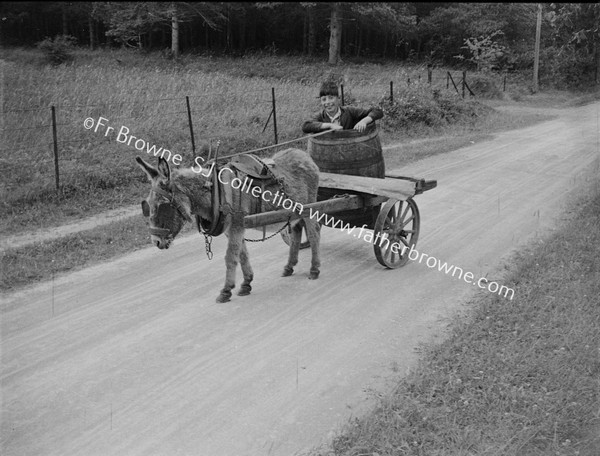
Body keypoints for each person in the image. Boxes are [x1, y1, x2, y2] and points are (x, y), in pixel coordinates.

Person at [302, 80, 383, 134]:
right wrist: (329, 125)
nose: (327, 102)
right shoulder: (320, 116)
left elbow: (378, 111)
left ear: (338, 99)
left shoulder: (349, 111)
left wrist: (364, 121)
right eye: (324, 99)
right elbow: (306, 126)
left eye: (331, 98)